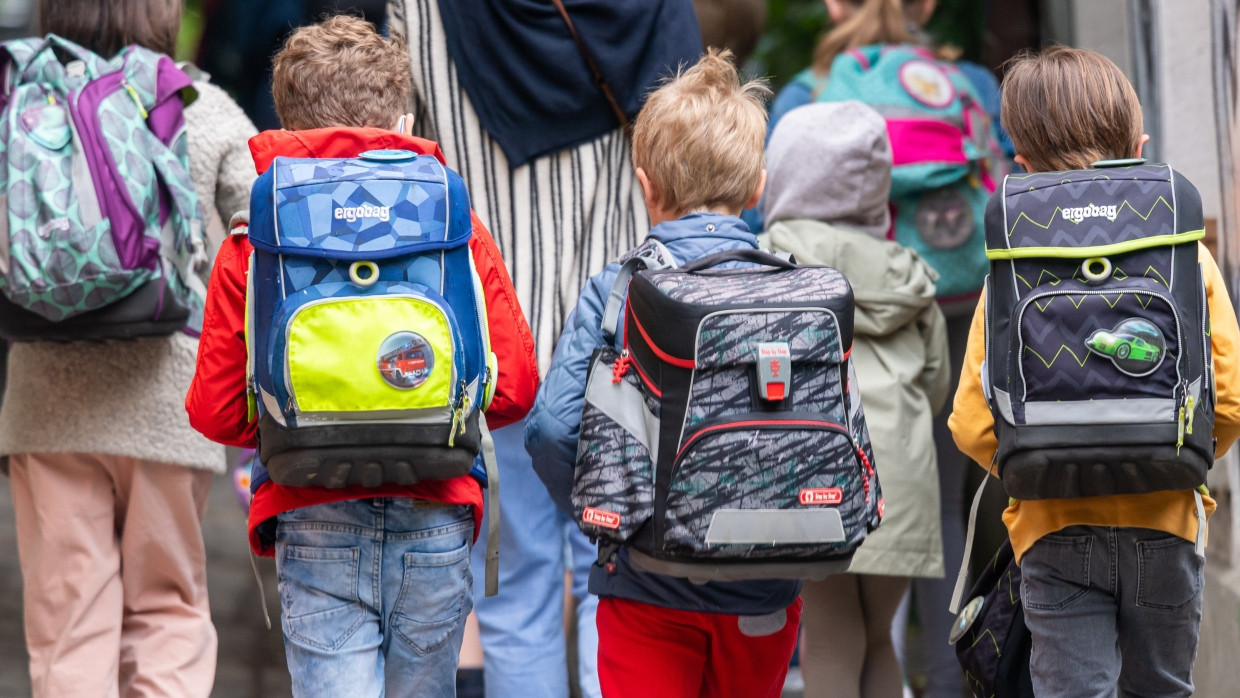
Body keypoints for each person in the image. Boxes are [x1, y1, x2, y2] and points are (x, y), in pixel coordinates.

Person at [185, 15, 539, 698]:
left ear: (288, 119)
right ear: (403, 119)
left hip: (313, 514)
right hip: (435, 514)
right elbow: (516, 386)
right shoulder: (452, 223)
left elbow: (216, 412)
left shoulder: (255, 237)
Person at [387, 2, 701, 695]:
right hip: (628, 341)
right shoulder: (650, 9)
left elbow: (404, 156)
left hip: (496, 344)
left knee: (512, 592)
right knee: (617, 582)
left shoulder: (422, 11)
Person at [949, 45, 1240, 696]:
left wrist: (1038, 463)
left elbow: (972, 422)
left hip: (1053, 527)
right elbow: (1232, 400)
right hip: (1166, 521)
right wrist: (1177, 456)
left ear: (1020, 166)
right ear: (1138, 144)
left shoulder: (1011, 266)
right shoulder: (1180, 252)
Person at [524, 49, 802, 698]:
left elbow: (553, 433)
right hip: (762, 585)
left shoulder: (618, 291)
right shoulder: (798, 287)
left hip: (646, 582)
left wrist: (611, 519)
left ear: (646, 188)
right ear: (758, 187)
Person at [0, 0, 256, 695]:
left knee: (69, 625)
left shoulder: (16, 105)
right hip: (170, 405)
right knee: (168, 611)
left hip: (47, 405)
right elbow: (264, 243)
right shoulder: (202, 107)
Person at [759, 100, 950, 698]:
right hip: (899, 482)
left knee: (833, 631)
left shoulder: (768, 259)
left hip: (811, 470)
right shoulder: (910, 273)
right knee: (876, 636)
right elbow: (936, 380)